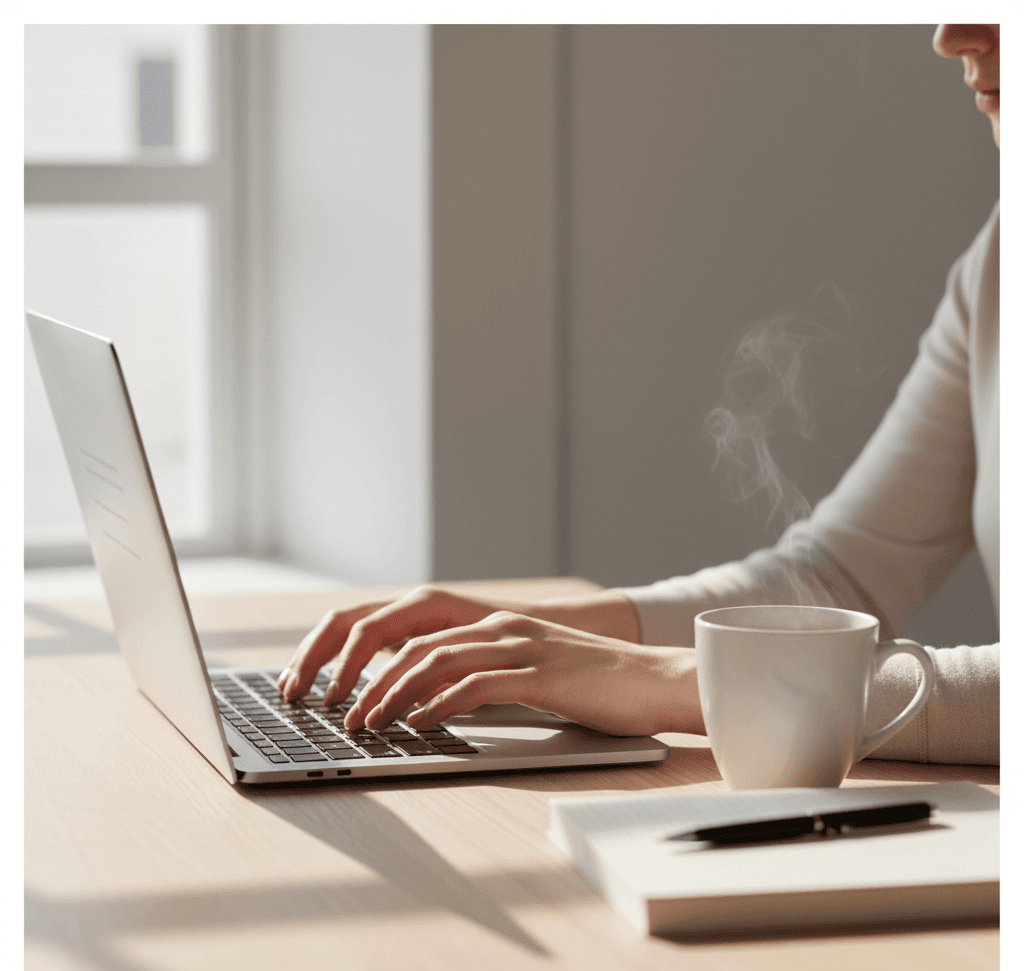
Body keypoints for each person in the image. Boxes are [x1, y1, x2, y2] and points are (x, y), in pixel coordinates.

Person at [276, 24, 999, 765]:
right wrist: (523, 635)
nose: (953, 36)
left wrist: (671, 683)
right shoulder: (1001, 263)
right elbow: (835, 580)